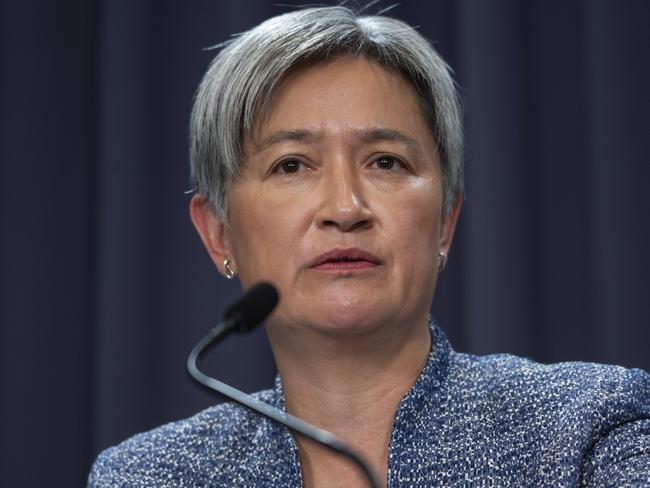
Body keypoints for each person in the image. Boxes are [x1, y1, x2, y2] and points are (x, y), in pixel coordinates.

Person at [88, 6, 650, 487]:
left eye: (386, 162)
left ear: (446, 223)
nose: (346, 208)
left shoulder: (588, 430)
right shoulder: (148, 475)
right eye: (292, 165)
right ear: (218, 234)